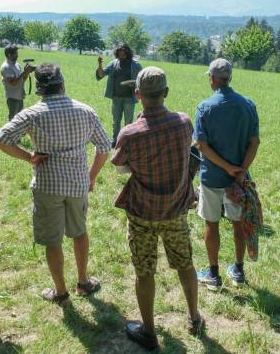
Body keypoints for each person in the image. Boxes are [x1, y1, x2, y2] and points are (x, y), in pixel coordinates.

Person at [0, 63, 111, 304]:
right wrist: (91, 176)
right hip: (78, 184)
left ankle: (61, 292)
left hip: (47, 186)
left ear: (38, 88)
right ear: (62, 84)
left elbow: (1, 139)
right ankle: (83, 282)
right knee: (80, 232)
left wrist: (29, 157)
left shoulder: (31, 114)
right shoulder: (86, 111)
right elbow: (104, 147)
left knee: (52, 241)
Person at [111, 67, 204, 349]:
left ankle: (149, 332)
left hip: (142, 212)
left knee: (144, 271)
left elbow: (120, 167)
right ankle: (194, 317)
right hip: (175, 209)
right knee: (185, 264)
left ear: (137, 95)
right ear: (166, 92)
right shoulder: (184, 122)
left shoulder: (129, 133)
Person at [194, 58, 260, 290]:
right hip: (238, 180)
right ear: (229, 78)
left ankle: (213, 274)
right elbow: (254, 142)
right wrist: (240, 170)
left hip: (212, 178)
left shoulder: (204, 107)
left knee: (211, 223)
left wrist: (225, 167)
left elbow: (201, 146)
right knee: (238, 223)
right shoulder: (248, 105)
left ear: (212, 78)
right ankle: (238, 270)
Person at [96, 43, 143, 146]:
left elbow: (142, 78)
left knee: (128, 122)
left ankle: (126, 141)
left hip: (129, 98)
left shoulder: (135, 65)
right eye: (119, 54)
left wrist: (135, 83)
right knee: (116, 121)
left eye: (123, 54)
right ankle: (115, 140)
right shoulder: (114, 63)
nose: (121, 56)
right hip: (116, 98)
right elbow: (101, 74)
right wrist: (100, 64)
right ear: (117, 54)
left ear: (127, 54)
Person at [0, 45, 36, 121]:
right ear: (9, 55)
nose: (17, 55)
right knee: (13, 120)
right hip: (12, 98)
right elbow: (13, 83)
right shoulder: (6, 67)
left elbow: (22, 80)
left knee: (20, 119)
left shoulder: (17, 65)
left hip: (19, 96)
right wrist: (24, 72)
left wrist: (27, 72)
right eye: (15, 53)